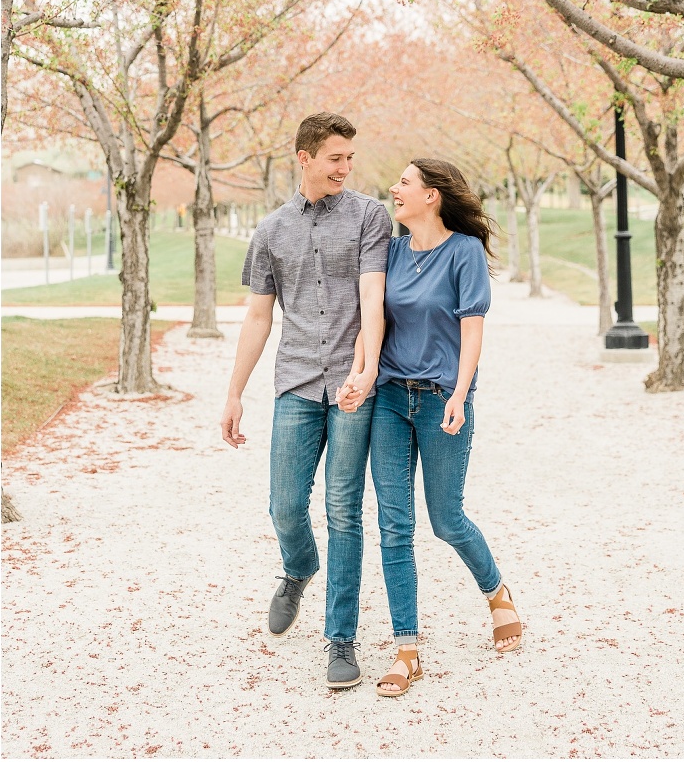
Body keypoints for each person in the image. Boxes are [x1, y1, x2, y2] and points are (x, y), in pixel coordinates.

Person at [337, 158, 522, 697]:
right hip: (392, 400)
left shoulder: (463, 253)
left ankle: (497, 594)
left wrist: (461, 395)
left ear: (433, 196)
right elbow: (373, 323)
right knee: (395, 526)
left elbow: (472, 332)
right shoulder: (390, 253)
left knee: (446, 519)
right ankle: (407, 649)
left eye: (405, 183)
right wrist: (357, 376)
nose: (394, 188)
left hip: (443, 399)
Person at [220, 112, 391, 689]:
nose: (346, 167)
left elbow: (375, 298)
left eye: (349, 157)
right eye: (336, 157)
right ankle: (298, 568)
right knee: (285, 506)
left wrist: (363, 372)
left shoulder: (370, 215)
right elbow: (259, 315)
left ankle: (340, 641)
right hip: (294, 382)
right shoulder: (270, 230)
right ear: (305, 158)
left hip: (352, 388)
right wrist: (234, 392)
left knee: (343, 512)